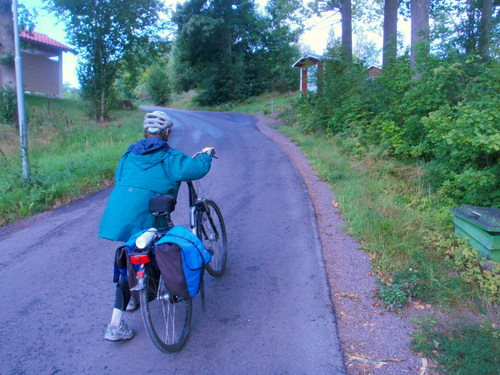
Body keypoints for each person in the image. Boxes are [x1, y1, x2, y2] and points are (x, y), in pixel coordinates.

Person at [99, 110, 215, 341]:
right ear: (167, 132)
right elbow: (195, 169)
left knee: (133, 253)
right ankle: (171, 286)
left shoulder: (128, 154)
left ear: (144, 132)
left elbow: (120, 178)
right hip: (151, 212)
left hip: (121, 211)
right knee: (160, 245)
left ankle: (120, 318)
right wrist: (206, 155)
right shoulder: (170, 157)